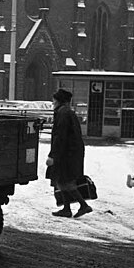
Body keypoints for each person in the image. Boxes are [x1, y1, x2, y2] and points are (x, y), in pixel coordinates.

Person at [46, 88, 92, 218]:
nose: (52, 102)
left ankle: (83, 205)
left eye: (54, 100)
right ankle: (67, 209)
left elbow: (60, 137)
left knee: (65, 181)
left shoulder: (63, 113)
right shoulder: (66, 112)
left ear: (60, 101)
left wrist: (53, 155)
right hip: (70, 153)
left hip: (66, 154)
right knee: (62, 180)